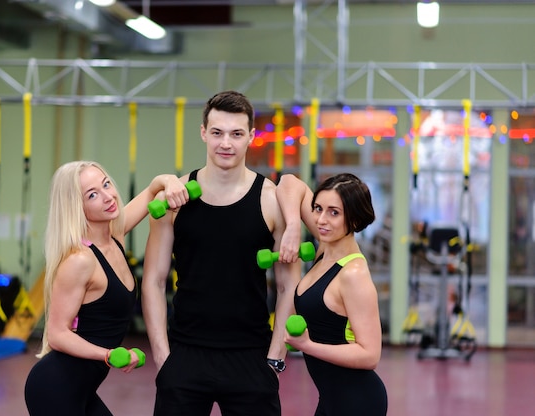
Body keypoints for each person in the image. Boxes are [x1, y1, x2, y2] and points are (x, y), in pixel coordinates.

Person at [141, 90, 299, 416]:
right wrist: (163, 357)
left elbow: (287, 287)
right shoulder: (175, 199)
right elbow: (153, 281)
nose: (225, 143)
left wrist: (275, 358)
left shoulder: (270, 200)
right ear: (203, 133)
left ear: (251, 137)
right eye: (217, 133)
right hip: (185, 355)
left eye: (236, 134)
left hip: (251, 356)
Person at [24, 160, 189, 416]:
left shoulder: (114, 237)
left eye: (106, 184)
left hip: (83, 388)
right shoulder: (79, 261)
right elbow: (57, 334)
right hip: (54, 387)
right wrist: (108, 355)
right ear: (77, 207)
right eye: (92, 194)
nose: (108, 196)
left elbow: (150, 191)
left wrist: (169, 182)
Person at [276, 173, 388, 416]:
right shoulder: (325, 251)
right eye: (317, 208)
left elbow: (370, 355)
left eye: (334, 212)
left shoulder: (353, 274)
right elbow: (288, 182)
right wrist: (294, 226)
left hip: (357, 401)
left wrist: (307, 346)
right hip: (331, 398)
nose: (321, 220)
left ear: (355, 220)